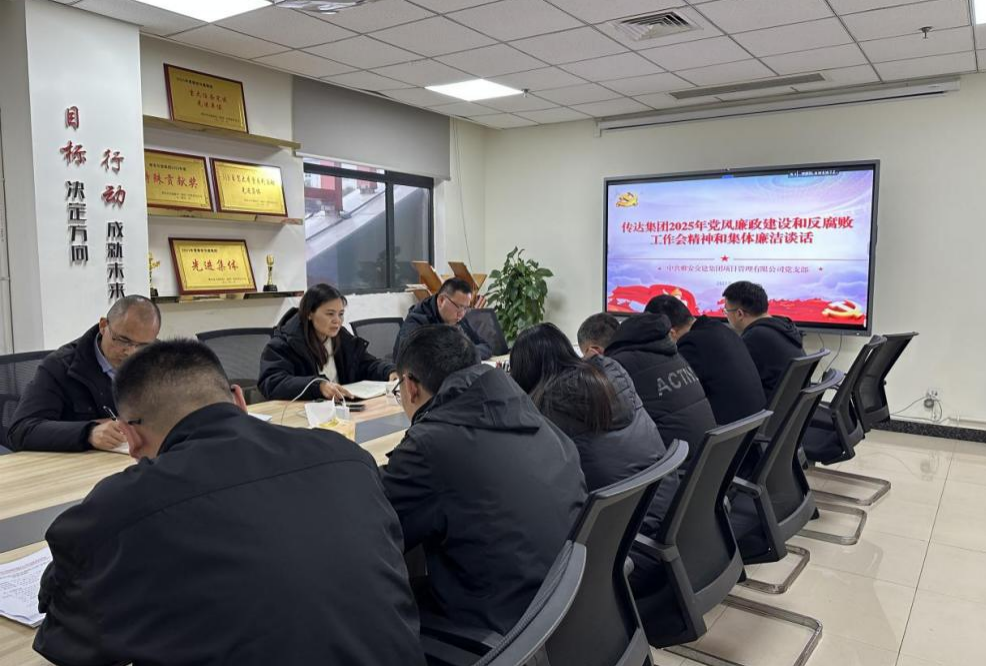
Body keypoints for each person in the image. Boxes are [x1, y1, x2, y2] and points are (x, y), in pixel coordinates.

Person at [34, 340, 425, 666]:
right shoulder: (348, 457)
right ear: (239, 399)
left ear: (131, 438)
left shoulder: (128, 504)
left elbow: (65, 627)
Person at [381, 325, 586, 634]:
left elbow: (374, 526)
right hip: (564, 607)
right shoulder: (532, 416)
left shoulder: (431, 445)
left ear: (409, 386)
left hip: (501, 628)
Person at [510, 322, 679, 532]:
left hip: (623, 529)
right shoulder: (613, 375)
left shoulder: (549, 407)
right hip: (666, 506)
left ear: (524, 372)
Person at [8, 295, 160, 453]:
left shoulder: (161, 360)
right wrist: (88, 433)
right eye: (123, 340)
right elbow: (22, 430)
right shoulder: (60, 366)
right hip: (79, 462)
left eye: (143, 346)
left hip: (142, 456)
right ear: (103, 326)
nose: (130, 352)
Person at [258, 283, 396, 402]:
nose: (337, 321)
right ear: (309, 313)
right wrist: (318, 386)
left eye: (340, 314)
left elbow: (367, 364)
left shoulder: (342, 338)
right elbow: (272, 382)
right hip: (307, 413)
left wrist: (390, 371)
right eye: (330, 314)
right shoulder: (285, 343)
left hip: (343, 409)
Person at [604, 313, 717, 456]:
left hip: (675, 463)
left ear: (594, 350)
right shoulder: (675, 355)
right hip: (706, 457)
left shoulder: (618, 365)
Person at [645, 295, 766, 425]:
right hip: (753, 422)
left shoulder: (690, 345)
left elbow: (676, 397)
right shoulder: (719, 328)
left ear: (671, 333)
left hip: (728, 430)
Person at [722, 281, 805, 397]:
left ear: (739, 314)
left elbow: (733, 378)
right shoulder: (784, 326)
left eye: (726, 311)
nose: (725, 315)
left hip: (770, 405)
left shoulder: (754, 337)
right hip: (789, 403)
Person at [392, 278, 492, 361]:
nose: (461, 314)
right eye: (459, 307)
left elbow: (485, 346)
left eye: (466, 308)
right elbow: (414, 360)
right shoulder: (417, 320)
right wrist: (463, 353)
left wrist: (465, 353)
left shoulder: (458, 317)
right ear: (441, 300)